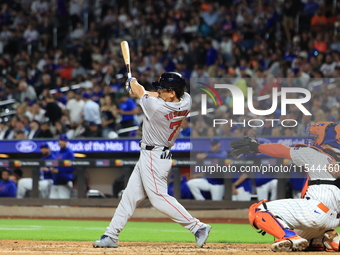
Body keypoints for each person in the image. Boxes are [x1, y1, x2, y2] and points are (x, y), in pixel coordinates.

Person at [93, 72, 211, 248]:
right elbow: (151, 94)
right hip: (156, 155)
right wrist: (140, 90)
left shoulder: (156, 108)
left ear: (172, 93)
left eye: (163, 89)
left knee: (158, 199)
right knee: (129, 196)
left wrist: (132, 82)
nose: (159, 91)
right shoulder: (186, 100)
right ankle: (111, 235)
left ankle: (197, 227)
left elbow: (141, 92)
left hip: (153, 156)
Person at [234, 122, 340, 252]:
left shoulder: (315, 154)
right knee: (301, 240)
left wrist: (255, 146)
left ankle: (289, 237)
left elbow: (280, 150)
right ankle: (327, 240)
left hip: (315, 212)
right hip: (333, 220)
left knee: (258, 210)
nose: (314, 139)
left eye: (316, 135)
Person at [49, 134, 75, 199]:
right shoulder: (58, 153)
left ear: (67, 142)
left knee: (64, 205)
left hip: (64, 182)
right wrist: (52, 168)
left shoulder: (69, 152)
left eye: (64, 141)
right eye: (60, 140)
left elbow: (72, 167)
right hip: (55, 182)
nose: (61, 142)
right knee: (52, 205)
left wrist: (58, 171)